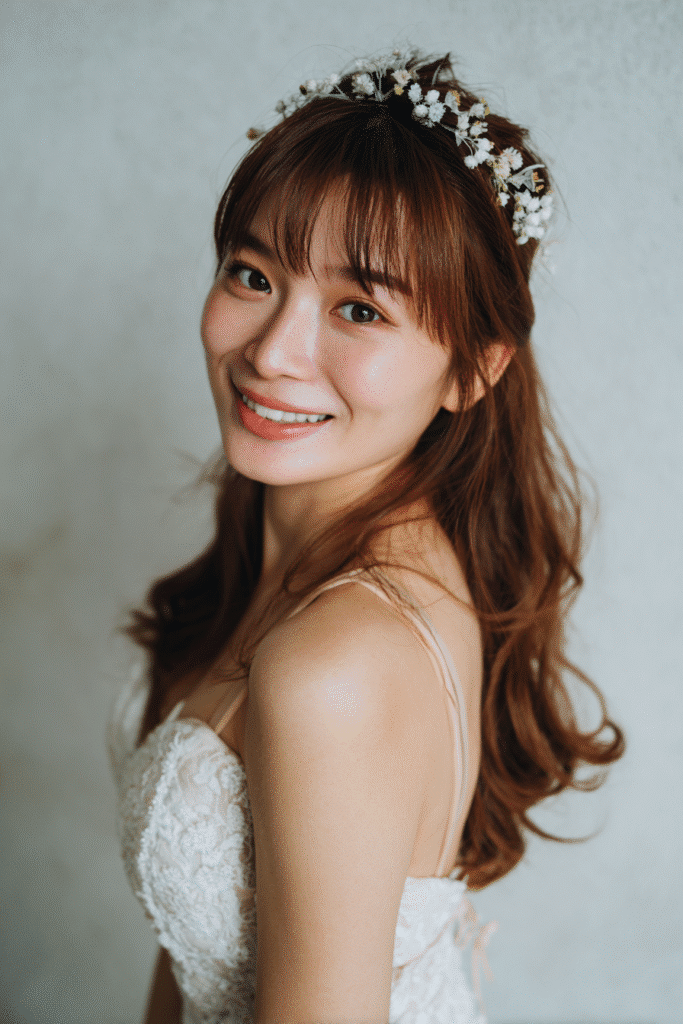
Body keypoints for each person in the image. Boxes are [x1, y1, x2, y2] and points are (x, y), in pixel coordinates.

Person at [107, 47, 625, 1024]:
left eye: (358, 308)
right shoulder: (331, 562)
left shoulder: (333, 662)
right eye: (251, 273)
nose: (270, 352)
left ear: (472, 369)